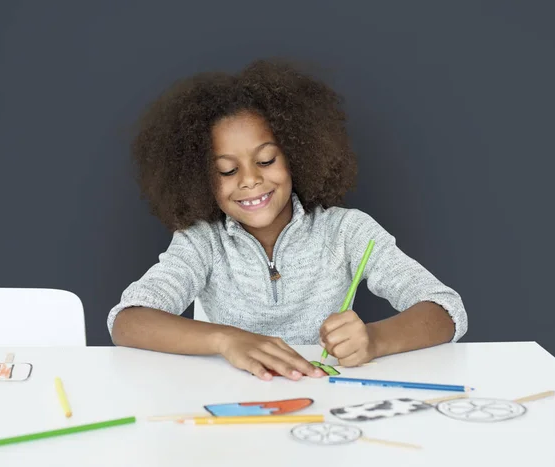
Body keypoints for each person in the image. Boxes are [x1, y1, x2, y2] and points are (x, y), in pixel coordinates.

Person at [108, 59, 467, 381]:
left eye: (265, 161)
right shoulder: (201, 242)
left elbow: (446, 311)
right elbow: (128, 321)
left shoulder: (347, 231)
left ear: (297, 155)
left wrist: (375, 340)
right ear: (200, 178)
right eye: (227, 170)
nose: (250, 180)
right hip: (229, 411)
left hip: (323, 399)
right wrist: (225, 339)